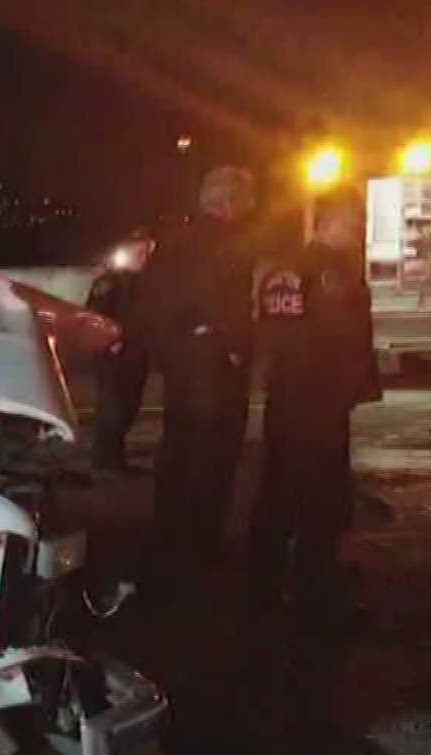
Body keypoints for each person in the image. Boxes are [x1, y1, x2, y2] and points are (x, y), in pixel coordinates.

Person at [249, 192, 382, 622]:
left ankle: (264, 579)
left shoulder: (283, 270)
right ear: (331, 226)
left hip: (286, 394)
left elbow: (272, 333)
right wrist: (353, 385)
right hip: (322, 397)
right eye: (353, 224)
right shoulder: (334, 273)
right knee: (324, 495)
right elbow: (343, 337)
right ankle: (315, 584)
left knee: (278, 488)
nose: (359, 232)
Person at [133, 166, 260, 570]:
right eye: (245, 202)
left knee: (178, 447)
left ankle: (166, 533)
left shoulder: (172, 244)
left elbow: (150, 302)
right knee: (214, 454)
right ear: (228, 203)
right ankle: (203, 542)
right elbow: (229, 304)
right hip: (214, 365)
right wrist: (237, 348)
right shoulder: (226, 245)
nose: (248, 210)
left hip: (180, 363)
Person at [85, 232, 155, 470]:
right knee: (113, 409)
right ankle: (104, 461)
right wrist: (110, 342)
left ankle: (115, 458)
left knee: (130, 407)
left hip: (137, 354)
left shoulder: (149, 281)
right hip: (113, 355)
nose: (144, 257)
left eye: (147, 252)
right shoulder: (110, 282)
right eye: (139, 252)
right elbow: (95, 317)